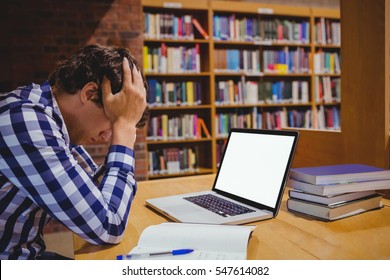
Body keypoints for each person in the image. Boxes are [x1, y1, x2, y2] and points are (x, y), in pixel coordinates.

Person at [0, 44, 149, 259]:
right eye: (113, 120)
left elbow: (95, 193)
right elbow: (109, 225)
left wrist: (125, 126)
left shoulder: (49, 118)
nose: (108, 136)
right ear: (89, 94)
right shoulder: (26, 121)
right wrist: (124, 128)